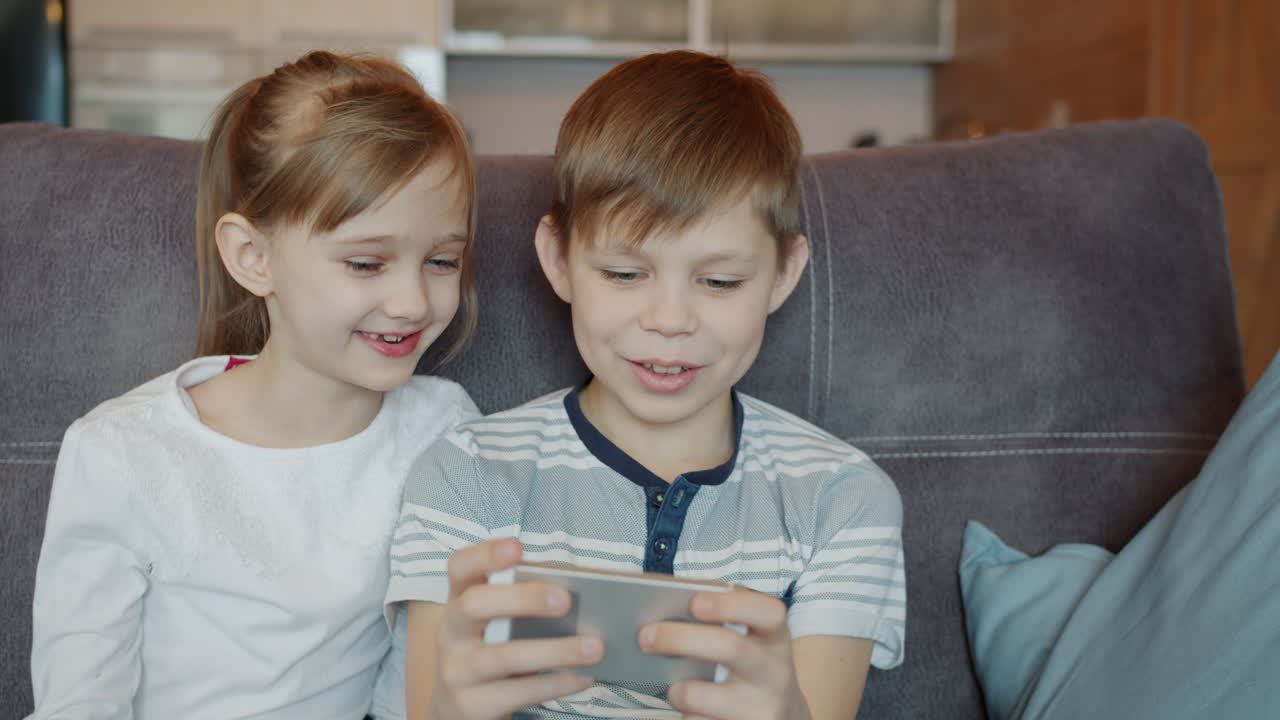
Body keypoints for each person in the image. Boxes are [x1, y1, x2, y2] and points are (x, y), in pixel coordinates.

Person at [386, 51, 906, 720]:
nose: (669, 321)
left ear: (782, 274)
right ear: (560, 260)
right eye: (625, 274)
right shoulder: (466, 475)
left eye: (719, 282)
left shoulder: (842, 499)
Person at [28, 50, 479, 720]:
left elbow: (414, 682)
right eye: (366, 262)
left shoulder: (442, 429)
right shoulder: (121, 452)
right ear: (253, 257)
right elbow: (81, 700)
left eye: (442, 260)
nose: (413, 301)